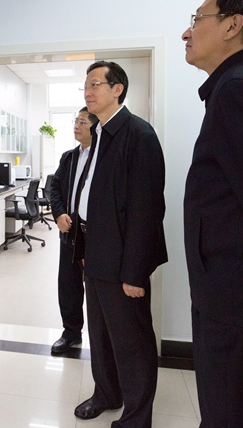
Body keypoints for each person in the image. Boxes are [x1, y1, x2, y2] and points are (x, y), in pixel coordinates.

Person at [182, 0, 243, 427]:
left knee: (229, 414)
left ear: (232, 25)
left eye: (197, 19)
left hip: (237, 303)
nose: (187, 32)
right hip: (238, 295)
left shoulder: (240, 89)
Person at [73, 61, 167, 427]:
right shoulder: (99, 136)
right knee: (100, 334)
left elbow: (147, 211)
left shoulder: (138, 135)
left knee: (132, 342)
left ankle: (137, 417)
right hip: (95, 251)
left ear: (118, 89)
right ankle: (107, 394)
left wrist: (134, 273)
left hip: (123, 260)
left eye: (95, 84)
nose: (88, 91)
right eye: (85, 85)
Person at [48, 106, 98, 354]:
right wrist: (58, 214)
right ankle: (71, 333)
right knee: (68, 285)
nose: (76, 126)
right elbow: (54, 189)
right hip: (69, 230)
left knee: (96, 288)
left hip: (93, 234)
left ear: (95, 128)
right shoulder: (68, 158)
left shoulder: (102, 156)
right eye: (75, 121)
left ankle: (101, 339)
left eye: (82, 122)